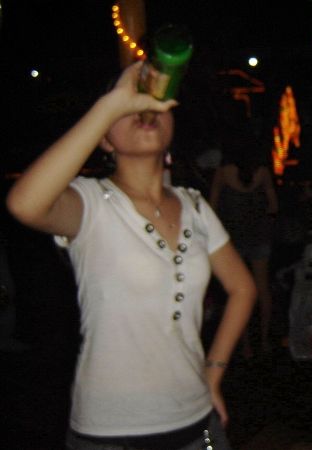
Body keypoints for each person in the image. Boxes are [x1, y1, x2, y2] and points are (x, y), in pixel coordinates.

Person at [6, 61, 256, 449]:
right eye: (130, 109)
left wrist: (213, 374)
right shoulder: (90, 203)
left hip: (196, 421)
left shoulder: (194, 205)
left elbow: (242, 288)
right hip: (111, 431)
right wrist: (110, 105)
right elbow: (24, 204)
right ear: (104, 139)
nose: (144, 112)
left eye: (155, 105)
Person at [209, 134, 278, 357]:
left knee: (239, 290)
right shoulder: (262, 172)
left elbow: (212, 208)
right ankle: (265, 340)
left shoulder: (223, 172)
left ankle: (245, 344)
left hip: (234, 237)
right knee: (262, 288)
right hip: (259, 235)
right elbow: (273, 206)